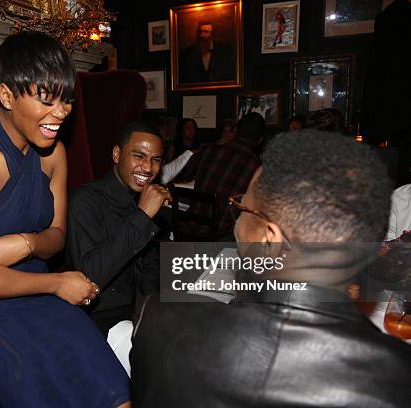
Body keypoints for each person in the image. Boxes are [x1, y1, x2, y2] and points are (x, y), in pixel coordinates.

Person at [131, 130, 411, 407]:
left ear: (269, 240)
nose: (237, 221)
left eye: (241, 208)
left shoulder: (156, 323)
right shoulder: (399, 378)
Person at [0, 31, 130, 407]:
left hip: (45, 292)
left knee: (115, 395)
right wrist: (57, 283)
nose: (61, 112)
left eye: (66, 100)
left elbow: (58, 234)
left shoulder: (53, 153)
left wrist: (26, 243)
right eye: (47, 99)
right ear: (7, 96)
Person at [66, 121, 171, 337]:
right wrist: (143, 216)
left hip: (137, 313)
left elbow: (150, 269)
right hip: (97, 321)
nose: (148, 168)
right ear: (116, 155)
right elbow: (91, 275)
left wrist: (164, 311)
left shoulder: (141, 199)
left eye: (156, 160)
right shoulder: (85, 200)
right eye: (139, 156)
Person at [175, 112, 264, 238]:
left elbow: (183, 175)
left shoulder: (207, 150)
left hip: (190, 228)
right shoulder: (257, 168)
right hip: (222, 236)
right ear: (260, 140)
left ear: (236, 131)